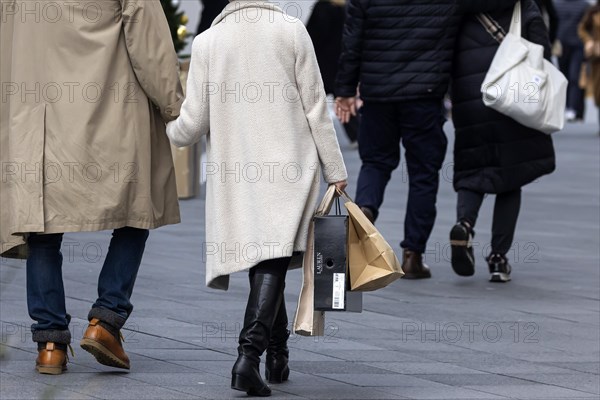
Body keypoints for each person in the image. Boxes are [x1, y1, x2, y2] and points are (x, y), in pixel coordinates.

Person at [166, 1, 348, 396]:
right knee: (273, 253)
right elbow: (316, 107)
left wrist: (162, 132)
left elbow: (193, 121)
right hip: (291, 166)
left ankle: (277, 354)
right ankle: (248, 358)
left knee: (266, 253)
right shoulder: (291, 30)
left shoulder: (208, 41)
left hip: (238, 170)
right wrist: (336, 169)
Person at [0, 0, 183, 374]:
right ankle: (106, 320)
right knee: (137, 209)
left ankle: (49, 344)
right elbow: (148, 44)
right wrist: (175, 107)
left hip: (38, 119)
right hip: (113, 113)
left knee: (43, 228)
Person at [334, 0, 517, 280]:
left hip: (377, 92)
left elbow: (352, 40)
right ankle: (412, 257)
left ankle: (366, 214)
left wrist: (345, 89)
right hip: (425, 94)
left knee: (375, 163)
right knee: (423, 174)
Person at [449, 0, 556, 282]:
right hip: (513, 100)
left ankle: (464, 224)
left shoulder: (460, 8)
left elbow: (443, 49)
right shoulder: (524, 7)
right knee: (511, 177)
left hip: (470, 97)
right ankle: (498, 258)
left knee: (472, 170)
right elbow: (541, 54)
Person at [306, 0, 360, 146]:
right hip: (340, 61)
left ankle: (307, 138)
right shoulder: (347, 7)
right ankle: (357, 134)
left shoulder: (322, 8)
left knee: (310, 103)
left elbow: (312, 35)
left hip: (321, 63)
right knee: (342, 99)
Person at [556, 0, 590, 121]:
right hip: (562, 46)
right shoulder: (557, 4)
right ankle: (566, 107)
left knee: (575, 77)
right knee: (564, 77)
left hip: (578, 46)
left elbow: (587, 26)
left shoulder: (584, 5)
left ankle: (573, 108)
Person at [579, 0, 600, 133]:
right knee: (598, 91)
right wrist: (589, 41)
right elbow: (582, 28)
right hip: (597, 58)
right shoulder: (593, 11)